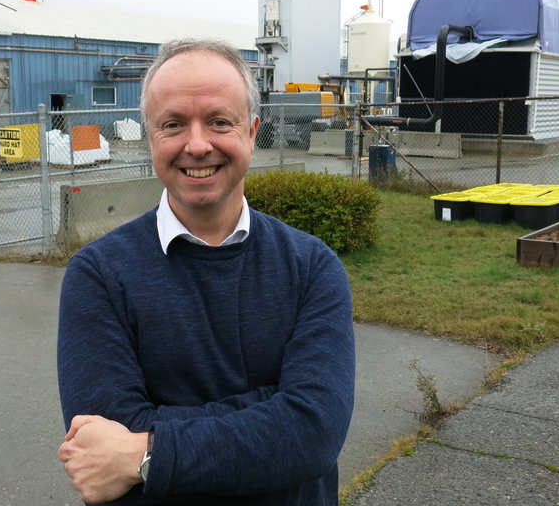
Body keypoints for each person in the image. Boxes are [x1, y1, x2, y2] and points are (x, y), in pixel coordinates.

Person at [57, 38, 355, 505]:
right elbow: (99, 447)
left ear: (252, 132)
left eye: (219, 121)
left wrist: (148, 453)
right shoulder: (98, 276)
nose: (197, 145)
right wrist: (272, 414)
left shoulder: (311, 267)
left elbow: (313, 432)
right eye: (173, 124)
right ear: (151, 136)